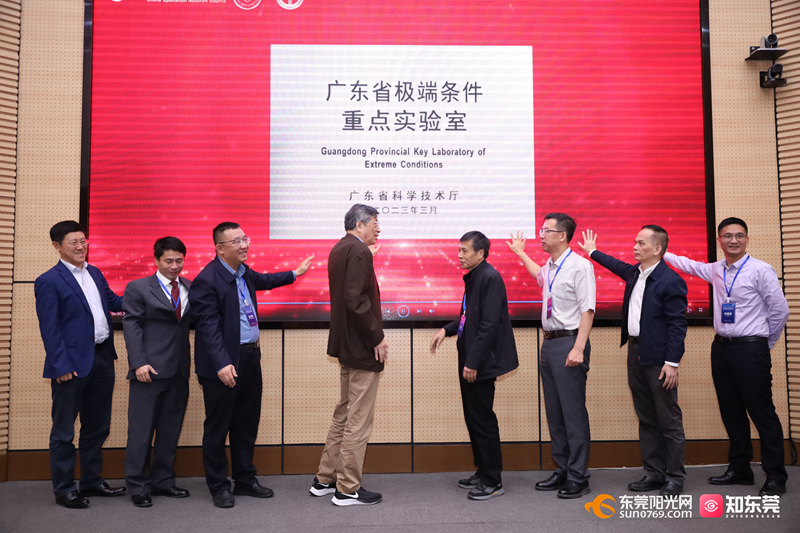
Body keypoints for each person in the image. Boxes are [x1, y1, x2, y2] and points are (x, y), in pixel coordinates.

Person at [190, 222, 313, 508]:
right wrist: (222, 364)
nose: (244, 244)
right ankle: (219, 486)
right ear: (220, 248)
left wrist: (295, 273)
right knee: (218, 427)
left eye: (245, 238)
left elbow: (265, 280)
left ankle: (245, 480)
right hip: (223, 363)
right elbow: (207, 328)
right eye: (236, 241)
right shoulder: (207, 280)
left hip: (249, 358)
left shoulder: (243, 272)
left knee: (246, 423)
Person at [664, 217, 790, 496]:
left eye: (739, 235)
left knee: (762, 412)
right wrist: (661, 251)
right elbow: (688, 264)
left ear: (747, 239)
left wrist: (764, 342)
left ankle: (775, 476)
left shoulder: (760, 270)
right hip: (721, 348)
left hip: (751, 349)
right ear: (719, 240)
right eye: (728, 236)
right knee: (731, 411)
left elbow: (780, 311)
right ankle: (740, 469)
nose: (734, 240)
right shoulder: (716, 269)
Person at [580, 225, 687, 496]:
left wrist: (672, 363)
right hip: (635, 352)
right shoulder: (634, 273)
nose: (635, 247)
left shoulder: (670, 280)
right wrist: (592, 251)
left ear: (657, 249)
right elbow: (615, 264)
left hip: (659, 359)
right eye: (635, 242)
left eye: (641, 243)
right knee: (646, 416)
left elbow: (677, 325)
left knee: (668, 418)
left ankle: (675, 477)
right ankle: (653, 473)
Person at [34, 220, 126, 508]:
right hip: (70, 366)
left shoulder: (95, 272)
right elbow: (50, 328)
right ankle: (64, 489)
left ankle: (91, 481)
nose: (81, 246)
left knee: (97, 427)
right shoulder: (48, 280)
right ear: (57, 246)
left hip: (102, 358)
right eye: (73, 242)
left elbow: (114, 302)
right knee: (64, 431)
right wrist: (60, 365)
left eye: (83, 241)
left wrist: (151, 292)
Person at [507, 213, 595, 499]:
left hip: (569, 342)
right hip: (549, 343)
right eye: (541, 230)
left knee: (572, 412)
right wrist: (521, 254)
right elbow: (540, 276)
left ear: (562, 235)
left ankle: (578, 476)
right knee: (555, 412)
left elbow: (588, 310)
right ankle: (563, 469)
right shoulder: (551, 266)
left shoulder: (580, 266)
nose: (541, 235)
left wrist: (579, 347)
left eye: (546, 230)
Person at [430, 231, 519, 501]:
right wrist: (446, 330)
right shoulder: (474, 277)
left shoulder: (490, 277)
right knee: (473, 417)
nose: (459, 255)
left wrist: (473, 362)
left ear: (481, 253)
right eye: (458, 250)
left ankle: (493, 480)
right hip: (472, 359)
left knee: (483, 419)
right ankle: (482, 471)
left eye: (465, 251)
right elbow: (468, 316)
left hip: (480, 363)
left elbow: (489, 325)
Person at [309, 204, 388, 507]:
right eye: (374, 223)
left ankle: (324, 479)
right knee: (358, 419)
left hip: (346, 346)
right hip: (362, 347)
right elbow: (356, 301)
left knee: (343, 413)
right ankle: (347, 488)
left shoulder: (340, 248)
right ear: (359, 224)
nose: (378, 228)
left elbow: (350, 292)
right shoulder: (358, 251)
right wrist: (377, 337)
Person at [122, 237, 193, 508]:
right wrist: (138, 363)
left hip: (179, 369)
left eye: (179, 261)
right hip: (148, 370)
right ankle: (138, 486)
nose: (175, 266)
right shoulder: (138, 287)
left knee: (169, 430)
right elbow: (132, 325)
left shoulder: (189, 286)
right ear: (156, 260)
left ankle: (163, 481)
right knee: (141, 432)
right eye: (169, 261)